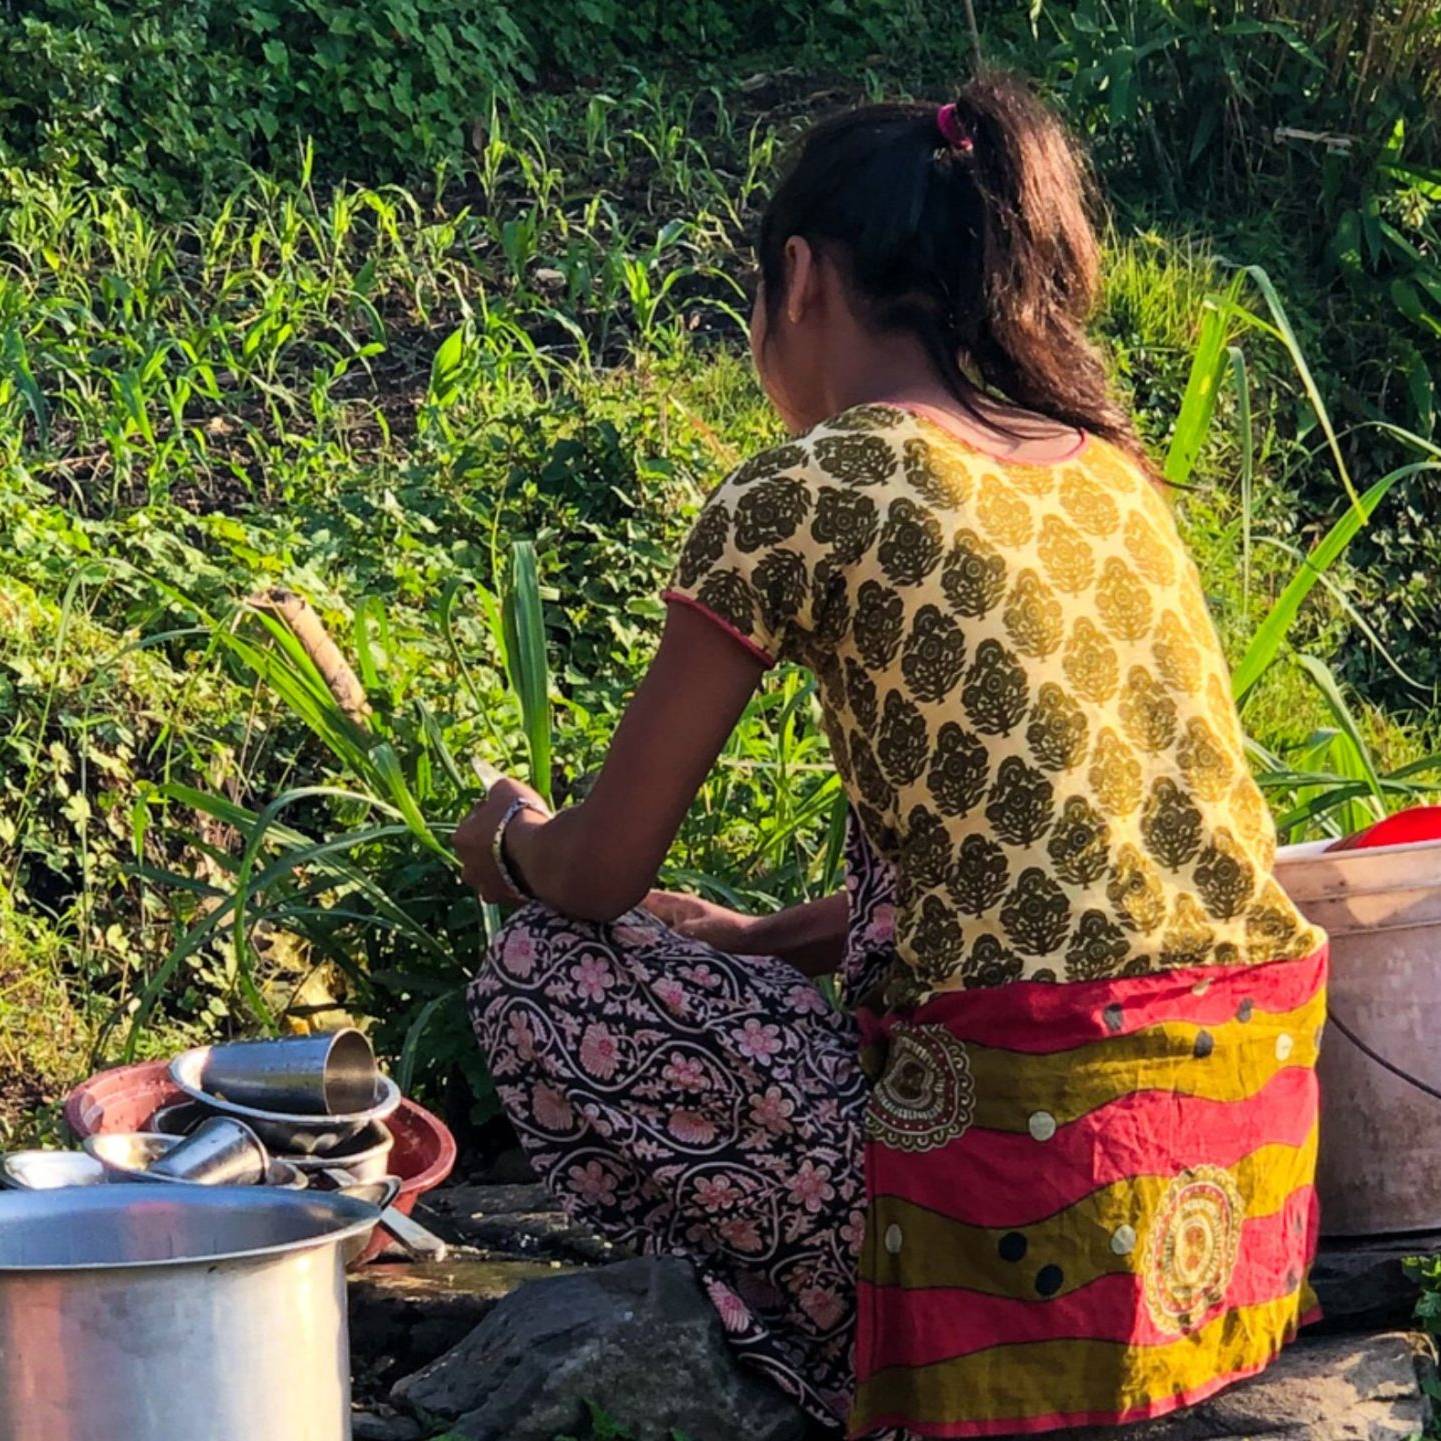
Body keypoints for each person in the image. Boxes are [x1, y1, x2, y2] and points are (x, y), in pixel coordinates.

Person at [455, 71, 1327, 1440]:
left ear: (795, 279)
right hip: (1225, 1190)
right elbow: (1034, 875)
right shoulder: (1102, 471)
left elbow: (597, 875)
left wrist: (504, 838)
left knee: (536, 975)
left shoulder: (812, 488)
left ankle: (866, 1357)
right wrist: (751, 939)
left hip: (1025, 1201)